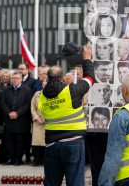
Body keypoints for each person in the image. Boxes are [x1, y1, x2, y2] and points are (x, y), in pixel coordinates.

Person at [38, 43, 95, 186]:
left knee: (51, 182)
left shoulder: (43, 97)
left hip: (51, 145)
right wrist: (87, 58)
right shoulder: (72, 91)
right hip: (73, 142)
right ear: (62, 77)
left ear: (48, 79)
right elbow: (90, 79)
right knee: (75, 181)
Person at [0, 71, 32, 166]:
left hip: (21, 120)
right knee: (9, 140)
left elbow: (28, 104)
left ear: (21, 79)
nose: (15, 80)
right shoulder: (6, 89)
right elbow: (2, 103)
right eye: (13, 78)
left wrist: (17, 113)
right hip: (9, 119)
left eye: (17, 78)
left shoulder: (27, 90)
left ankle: (18, 159)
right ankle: (10, 158)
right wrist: (9, 113)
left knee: (20, 141)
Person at [30, 76, 47, 166]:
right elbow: (32, 107)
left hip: (47, 122)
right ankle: (36, 159)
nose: (44, 85)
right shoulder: (37, 94)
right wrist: (36, 118)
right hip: (37, 121)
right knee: (36, 142)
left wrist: (47, 118)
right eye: (43, 84)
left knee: (46, 142)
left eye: (46, 83)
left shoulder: (53, 95)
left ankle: (45, 160)